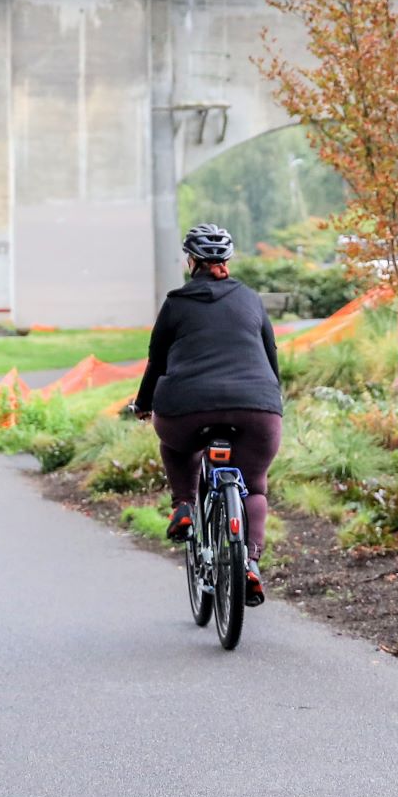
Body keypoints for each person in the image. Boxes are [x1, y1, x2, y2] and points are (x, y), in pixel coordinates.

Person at [125, 224, 285, 607]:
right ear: (226, 260)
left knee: (176, 445)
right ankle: (249, 562)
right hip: (256, 407)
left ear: (191, 261)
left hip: (186, 407)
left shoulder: (176, 303)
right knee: (254, 487)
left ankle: (183, 505)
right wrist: (269, 397)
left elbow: (157, 362)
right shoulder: (250, 299)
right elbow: (270, 355)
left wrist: (143, 404)